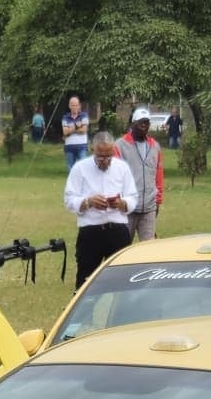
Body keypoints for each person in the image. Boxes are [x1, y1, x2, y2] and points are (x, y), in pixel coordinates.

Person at [65, 132, 143, 282]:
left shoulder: (122, 168)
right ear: (93, 150)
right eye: (101, 156)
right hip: (90, 232)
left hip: (117, 231)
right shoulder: (80, 168)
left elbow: (133, 197)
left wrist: (122, 203)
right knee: (86, 279)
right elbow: (69, 199)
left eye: (109, 156)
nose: (105, 161)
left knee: (121, 279)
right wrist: (88, 202)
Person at [120, 111, 164, 244]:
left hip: (149, 207)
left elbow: (158, 175)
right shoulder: (120, 146)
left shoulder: (154, 146)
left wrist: (158, 200)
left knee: (148, 250)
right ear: (133, 123)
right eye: (141, 122)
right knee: (122, 248)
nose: (144, 125)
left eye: (147, 122)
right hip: (127, 208)